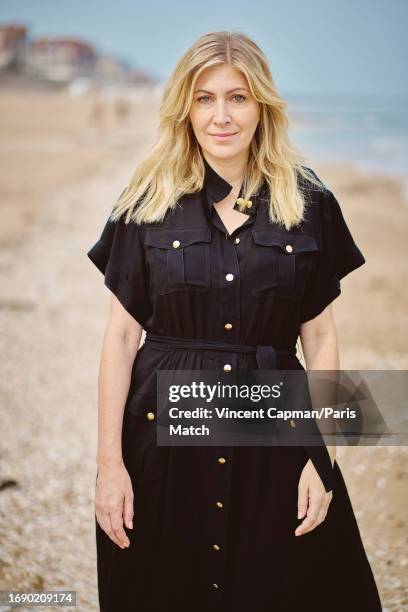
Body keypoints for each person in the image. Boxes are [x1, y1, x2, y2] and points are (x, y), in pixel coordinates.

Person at [87, 30, 382, 612]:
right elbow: (121, 338)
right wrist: (110, 467)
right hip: (163, 440)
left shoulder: (310, 203)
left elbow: (320, 336)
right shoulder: (145, 201)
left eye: (238, 97)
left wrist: (319, 456)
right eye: (205, 98)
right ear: (184, 108)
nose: (221, 115)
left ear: (262, 107)